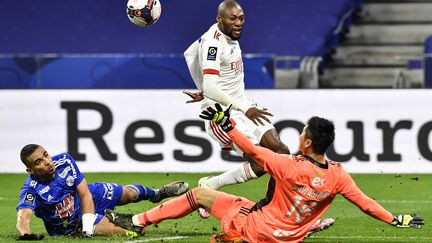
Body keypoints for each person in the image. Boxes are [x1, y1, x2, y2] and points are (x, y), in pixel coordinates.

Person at [105, 104, 424, 242]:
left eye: (301, 133)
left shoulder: (289, 165)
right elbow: (365, 203)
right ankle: (300, 228)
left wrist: (228, 124)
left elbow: (255, 152)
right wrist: (396, 219)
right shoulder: (339, 176)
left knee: (200, 195)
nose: (298, 135)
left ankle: (136, 222)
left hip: (256, 230)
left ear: (308, 141)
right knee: (244, 200)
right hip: (288, 236)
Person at [183, 0, 334, 234]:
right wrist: (211, 93)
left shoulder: (223, 39)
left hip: (243, 106)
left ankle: (278, 212)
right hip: (223, 114)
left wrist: (202, 87)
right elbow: (212, 85)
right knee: (264, 162)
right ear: (219, 19)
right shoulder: (214, 44)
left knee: (282, 153)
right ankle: (213, 186)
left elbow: (189, 53)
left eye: (241, 18)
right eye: (232, 18)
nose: (238, 23)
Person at [16, 144, 189, 240]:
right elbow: (23, 216)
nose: (47, 161)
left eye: (46, 154)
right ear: (30, 170)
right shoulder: (32, 189)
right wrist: (26, 234)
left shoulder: (64, 160)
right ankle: (117, 218)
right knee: (139, 230)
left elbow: (84, 193)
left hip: (90, 196)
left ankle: (157, 194)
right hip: (72, 225)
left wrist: (89, 228)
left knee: (130, 194)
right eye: (39, 161)